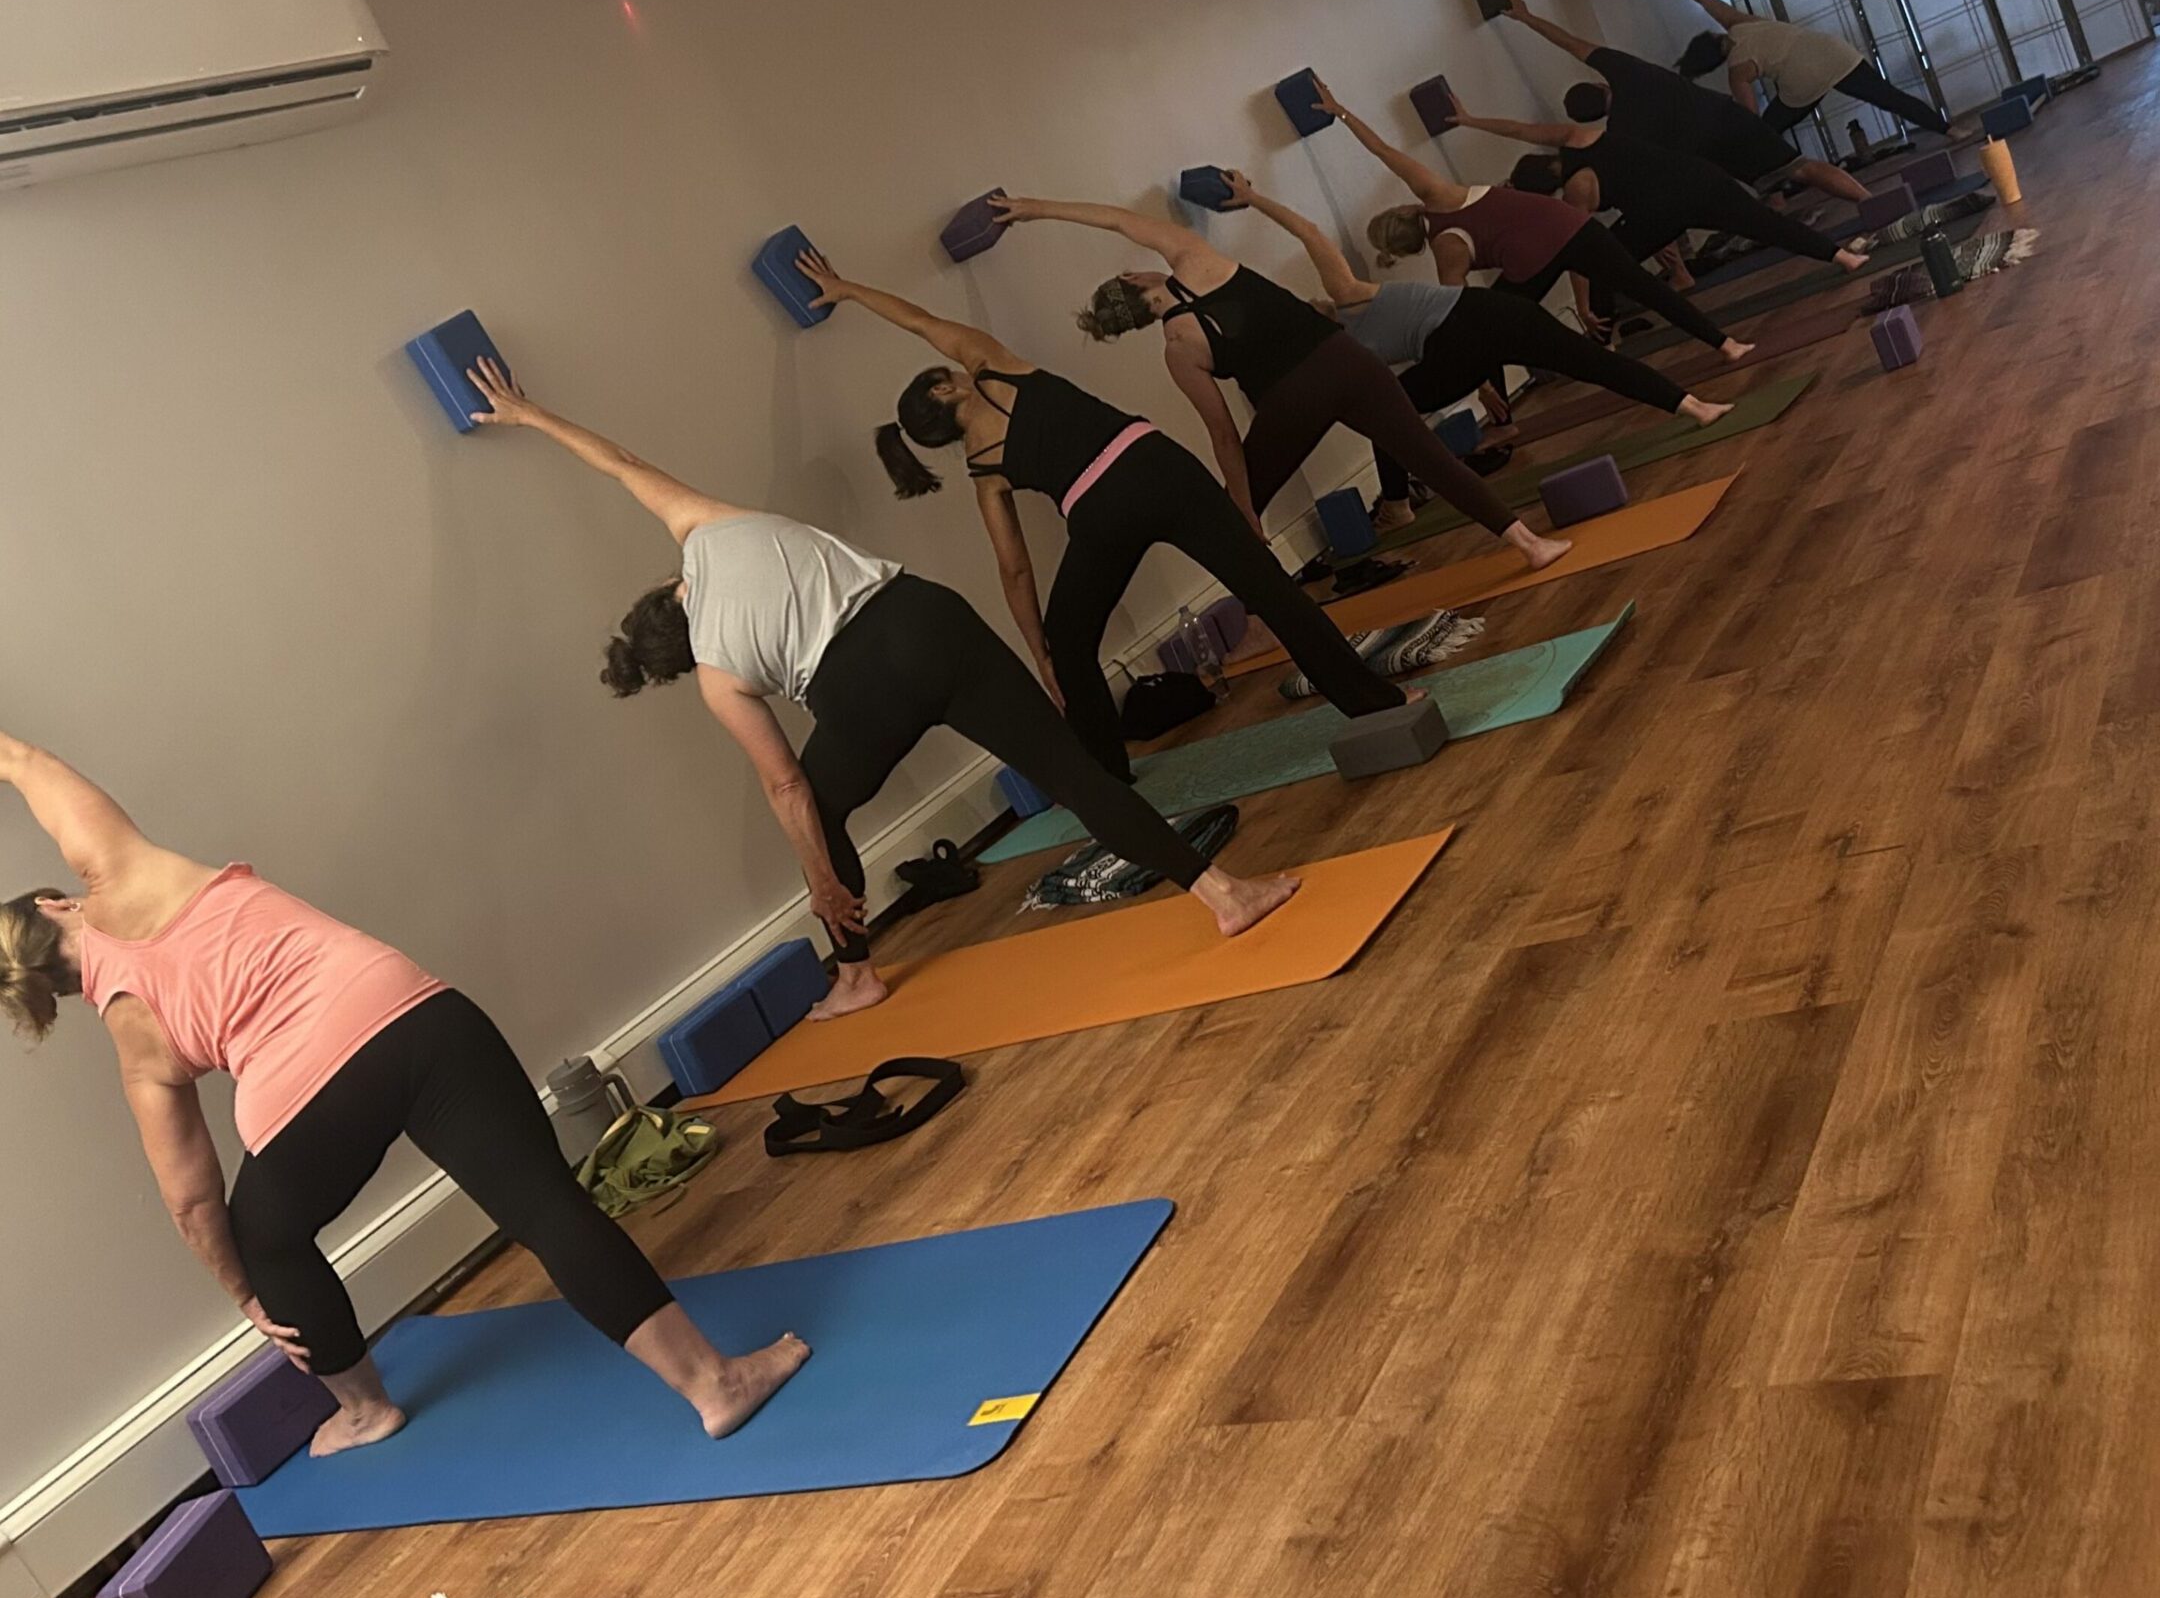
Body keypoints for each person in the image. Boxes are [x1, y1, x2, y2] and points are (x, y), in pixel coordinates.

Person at [0, 731, 809, 1454]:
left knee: (267, 1238)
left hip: (306, 1104)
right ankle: (713, 1384)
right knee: (544, 1206)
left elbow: (191, 1205)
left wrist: (248, 1294)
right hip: (415, 1017)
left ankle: (364, 1411)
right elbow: (21, 760)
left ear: (52, 994)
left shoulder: (133, 1041)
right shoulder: (121, 867)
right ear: (53, 904)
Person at [462, 362, 1301, 1019]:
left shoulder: (717, 678)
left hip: (857, 689)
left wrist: (821, 881)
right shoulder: (702, 526)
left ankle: (856, 977)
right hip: (926, 618)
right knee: (1075, 774)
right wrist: (529, 414)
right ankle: (1224, 894)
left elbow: (787, 789)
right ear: (668, 593)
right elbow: (620, 465)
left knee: (821, 815)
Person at [793, 248, 1405, 780]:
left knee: (1070, 643)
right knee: (1270, 591)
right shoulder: (994, 370)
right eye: (947, 373)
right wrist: (847, 289)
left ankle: (1110, 780)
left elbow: (1014, 570)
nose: (955, 365)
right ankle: (1374, 703)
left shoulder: (984, 472)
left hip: (1100, 515)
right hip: (1158, 468)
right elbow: (920, 321)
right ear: (943, 390)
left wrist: (1044, 655)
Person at [985, 194, 1573, 574]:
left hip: (1290, 403)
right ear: (1137, 280)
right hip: (1346, 361)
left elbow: (1222, 434)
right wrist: (1033, 209)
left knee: (1229, 515)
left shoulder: (1177, 350)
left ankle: (1261, 618)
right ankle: (1530, 545)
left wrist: (1246, 510)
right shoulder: (1195, 259)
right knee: (1429, 458)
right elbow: (1116, 218)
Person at [1217, 173, 1736, 532]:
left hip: (1468, 330)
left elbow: (1308, 232)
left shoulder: (1348, 298)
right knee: (1597, 365)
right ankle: (1694, 406)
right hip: (1489, 318)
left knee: (1387, 413)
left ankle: (1397, 506)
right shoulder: (1342, 353)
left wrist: (1252, 197)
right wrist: (1483, 381)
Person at [1313, 77, 1754, 361]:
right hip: (1567, 229)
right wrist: (1342, 112)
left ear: (1409, 249)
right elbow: (1383, 151)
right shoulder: (1436, 196)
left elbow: (1460, 320)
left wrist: (1483, 382)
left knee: (1496, 324)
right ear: (1406, 211)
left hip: (1536, 260)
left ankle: (1515, 406)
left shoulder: (1446, 255)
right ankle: (1726, 343)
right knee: (1647, 288)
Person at [1500, 0, 1873, 206]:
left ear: (1593, 117)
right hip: (1727, 119)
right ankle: (1867, 201)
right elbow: (1570, 43)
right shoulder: (1626, 71)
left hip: (1710, 156)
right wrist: (1526, 17)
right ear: (1600, 87)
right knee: (1801, 167)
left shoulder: (1621, 131)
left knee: (1764, 186)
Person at [1442, 99, 1871, 285]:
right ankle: (1843, 257)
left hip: (1664, 209)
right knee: (1769, 225)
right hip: (1697, 180)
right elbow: (1521, 129)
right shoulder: (1578, 137)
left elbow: (1580, 255)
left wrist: (1585, 307)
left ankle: (1606, 339)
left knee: (1606, 264)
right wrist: (1471, 120)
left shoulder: (1576, 193)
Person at [1653, 0, 1959, 138]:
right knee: (1890, 97)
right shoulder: (1739, 23)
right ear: (1711, 37)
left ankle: (1777, 195)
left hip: (1802, 80)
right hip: (1832, 52)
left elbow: (1751, 119)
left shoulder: (1737, 71)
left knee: (1767, 134)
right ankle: (1948, 130)